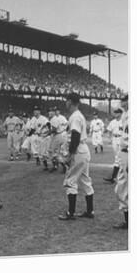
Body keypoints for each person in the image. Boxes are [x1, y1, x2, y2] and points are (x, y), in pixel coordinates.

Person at [59, 93, 95, 221]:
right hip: (83, 150)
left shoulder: (75, 116)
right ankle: (90, 211)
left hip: (78, 150)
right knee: (85, 180)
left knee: (70, 180)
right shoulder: (79, 115)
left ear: (70, 102)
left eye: (66, 101)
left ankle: (70, 213)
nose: (65, 103)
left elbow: (75, 136)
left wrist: (70, 154)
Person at [113, 95, 129, 229]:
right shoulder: (124, 115)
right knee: (121, 187)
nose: (123, 102)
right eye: (122, 100)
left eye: (125, 100)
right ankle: (127, 220)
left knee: (125, 187)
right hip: (123, 152)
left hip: (129, 152)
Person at [103, 108, 124, 183]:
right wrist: (109, 138)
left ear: (121, 113)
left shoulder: (124, 121)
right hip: (115, 139)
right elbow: (109, 130)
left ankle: (113, 177)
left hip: (122, 139)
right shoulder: (113, 122)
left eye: (117, 113)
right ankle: (115, 177)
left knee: (118, 158)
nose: (115, 114)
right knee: (117, 157)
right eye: (115, 113)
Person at [49, 107, 68, 173]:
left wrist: (47, 133)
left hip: (57, 136)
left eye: (52, 111)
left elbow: (54, 129)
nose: (50, 112)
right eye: (49, 111)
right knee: (55, 152)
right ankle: (56, 166)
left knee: (54, 153)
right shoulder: (54, 118)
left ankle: (64, 165)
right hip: (58, 136)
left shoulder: (54, 119)